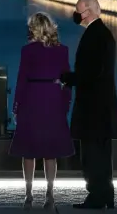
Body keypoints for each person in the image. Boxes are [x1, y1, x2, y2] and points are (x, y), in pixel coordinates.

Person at [60, 0, 117, 210]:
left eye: (78, 11)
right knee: (102, 155)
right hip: (102, 107)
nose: (76, 15)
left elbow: (92, 73)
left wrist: (68, 78)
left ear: (90, 11)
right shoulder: (103, 34)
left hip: (93, 108)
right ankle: (106, 195)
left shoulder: (95, 35)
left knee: (93, 155)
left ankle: (96, 196)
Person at [9, 12, 74, 210]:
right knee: (50, 151)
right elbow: (67, 80)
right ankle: (50, 193)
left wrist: (16, 106)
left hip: (32, 98)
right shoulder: (62, 50)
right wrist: (65, 103)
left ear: (34, 28)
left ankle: (28, 194)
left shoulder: (27, 50)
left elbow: (21, 79)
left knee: (29, 151)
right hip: (53, 99)